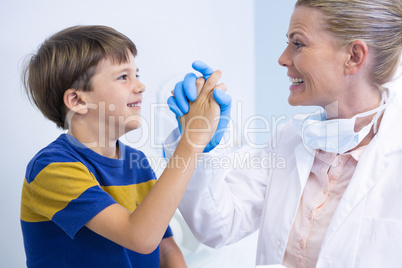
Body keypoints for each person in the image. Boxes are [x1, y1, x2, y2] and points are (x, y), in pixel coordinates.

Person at [165, 0, 402, 267]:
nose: (282, 58)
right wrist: (198, 144)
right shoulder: (291, 139)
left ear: (354, 56)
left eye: (298, 43)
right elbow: (217, 225)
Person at [20, 25, 229, 268]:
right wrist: (192, 141)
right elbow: (140, 237)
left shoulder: (135, 161)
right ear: (77, 100)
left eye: (136, 75)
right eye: (123, 77)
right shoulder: (52, 168)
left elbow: (166, 251)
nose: (140, 86)